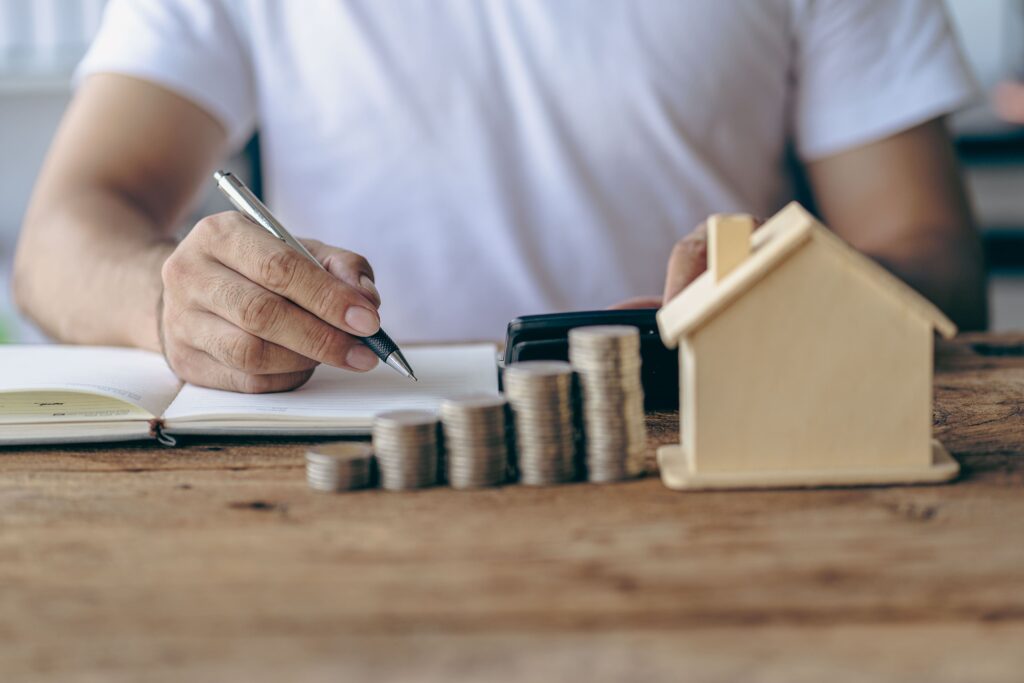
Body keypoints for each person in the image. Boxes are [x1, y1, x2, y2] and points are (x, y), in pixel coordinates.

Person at [14, 0, 987, 393]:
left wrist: (799, 300)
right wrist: (171, 301)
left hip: (704, 445)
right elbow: (59, 238)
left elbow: (931, 251)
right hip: (352, 468)